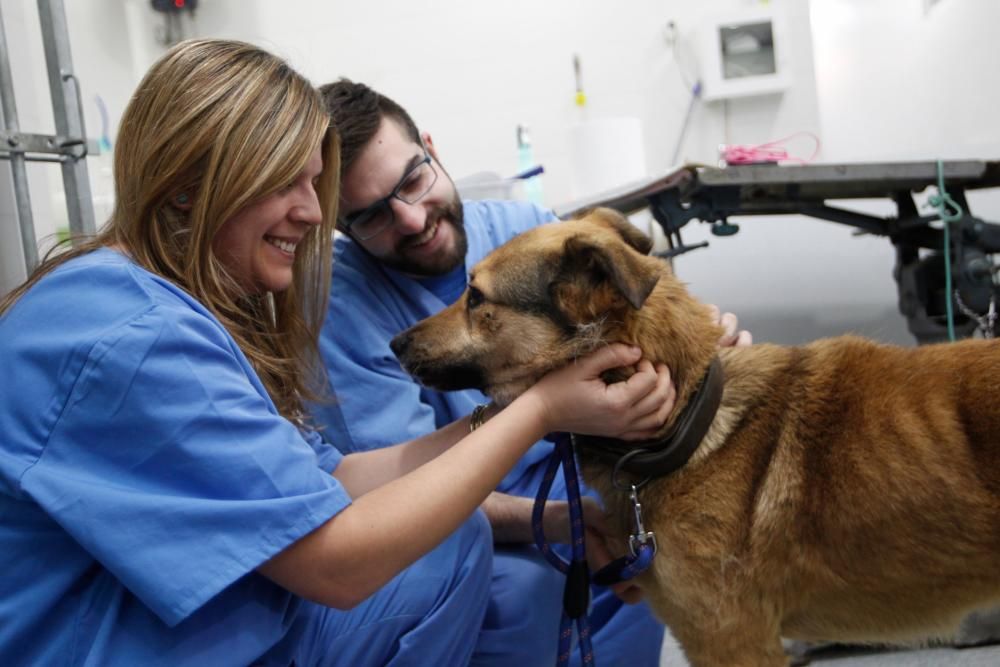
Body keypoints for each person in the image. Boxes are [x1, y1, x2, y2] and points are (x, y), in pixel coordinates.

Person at [0, 40, 677, 666]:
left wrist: (547, 484)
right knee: (452, 556)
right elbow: (341, 562)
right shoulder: (134, 336)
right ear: (185, 187)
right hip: (95, 642)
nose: (313, 214)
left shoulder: (160, 303)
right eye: (282, 183)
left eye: (313, 184)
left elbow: (336, 475)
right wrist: (538, 409)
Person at [313, 78, 752, 666]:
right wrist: (568, 520)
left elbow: (630, 330)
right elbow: (406, 500)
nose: (412, 219)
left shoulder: (525, 234)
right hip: (487, 534)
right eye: (371, 216)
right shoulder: (342, 309)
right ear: (341, 228)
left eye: (413, 180)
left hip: (596, 494)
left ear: (432, 147)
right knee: (523, 590)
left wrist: (706, 349)